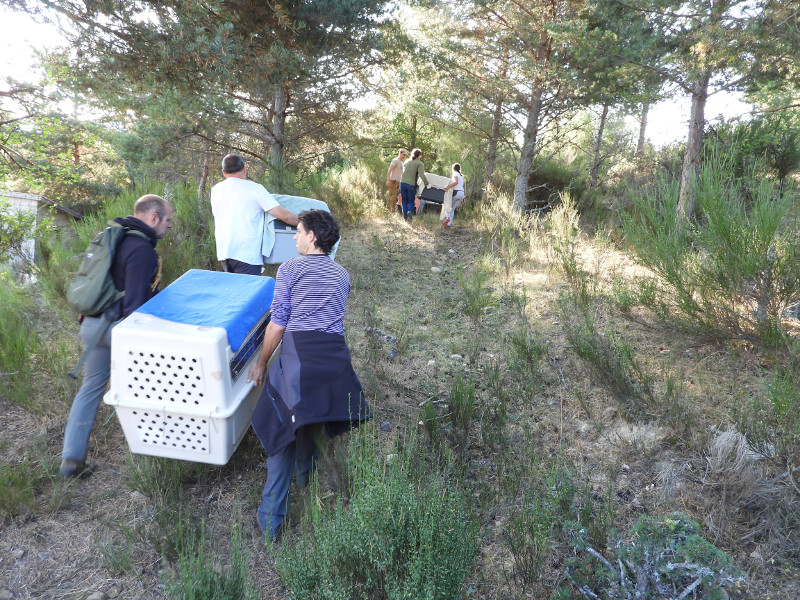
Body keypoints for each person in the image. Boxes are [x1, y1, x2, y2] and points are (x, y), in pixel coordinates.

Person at [247, 209, 370, 541]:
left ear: (312, 236)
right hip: (333, 360)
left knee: (281, 433)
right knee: (309, 422)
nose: (295, 237)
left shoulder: (290, 269)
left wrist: (261, 363)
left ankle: (270, 524)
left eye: (298, 232)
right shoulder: (342, 274)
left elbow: (279, 323)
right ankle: (306, 487)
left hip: (299, 355)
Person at [60, 195, 174, 478]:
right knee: (151, 386)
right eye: (168, 220)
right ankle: (159, 453)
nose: (170, 226)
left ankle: (71, 460)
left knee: (90, 389)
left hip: (91, 324)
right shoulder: (142, 250)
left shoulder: (111, 237)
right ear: (153, 218)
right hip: (119, 331)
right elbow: (135, 306)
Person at [210, 153, 299, 275]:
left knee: (233, 292)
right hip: (246, 254)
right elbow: (285, 216)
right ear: (244, 169)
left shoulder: (216, 190)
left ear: (224, 172)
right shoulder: (254, 188)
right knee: (249, 293)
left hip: (224, 253)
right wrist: (306, 222)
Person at [399, 148, 429, 222]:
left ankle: (405, 217)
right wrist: (427, 183)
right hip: (411, 185)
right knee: (411, 201)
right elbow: (422, 175)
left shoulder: (406, 161)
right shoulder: (419, 163)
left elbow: (402, 172)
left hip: (402, 183)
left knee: (404, 201)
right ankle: (410, 212)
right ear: (419, 155)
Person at [441, 163, 466, 230]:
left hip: (456, 193)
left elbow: (456, 182)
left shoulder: (455, 174)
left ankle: (448, 218)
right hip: (462, 194)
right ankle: (448, 225)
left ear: (453, 168)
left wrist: (447, 188)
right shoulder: (460, 175)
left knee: (446, 205)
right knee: (452, 209)